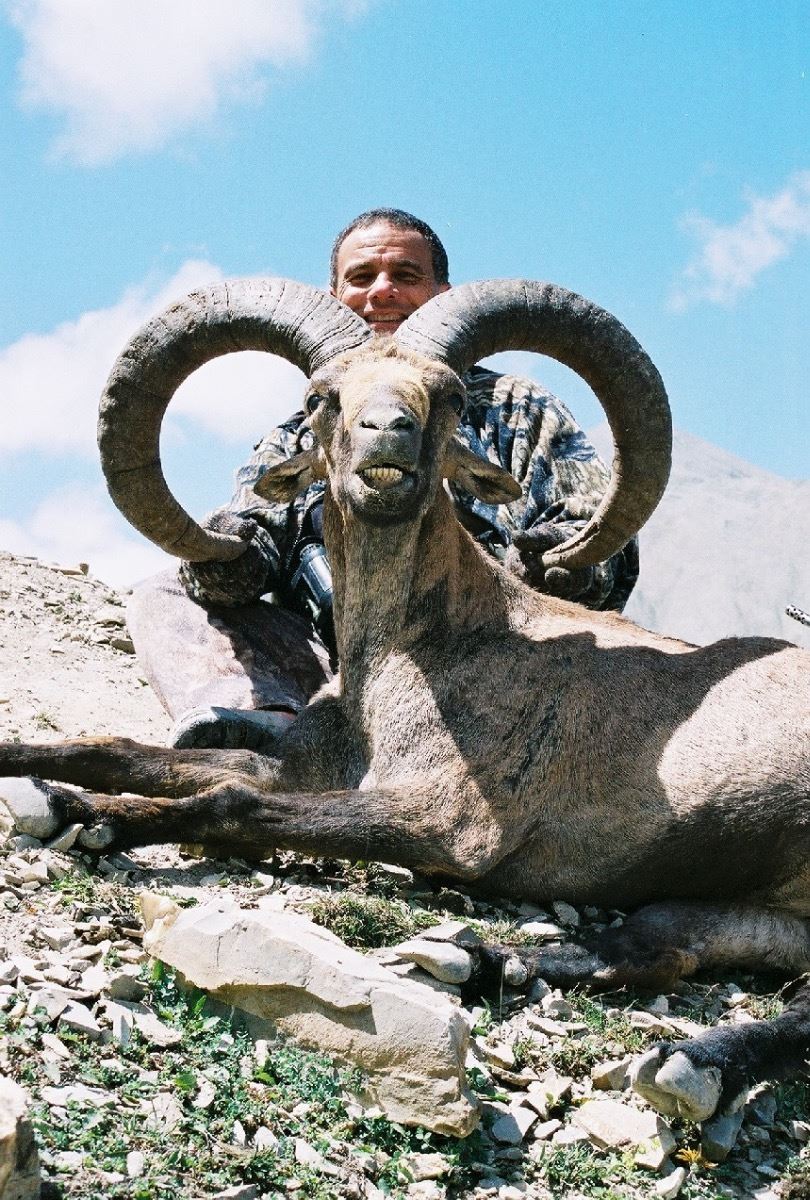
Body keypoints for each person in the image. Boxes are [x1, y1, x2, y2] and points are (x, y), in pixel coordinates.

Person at [127, 209, 639, 749]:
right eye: (362, 277)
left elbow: (599, 540)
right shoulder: (301, 433)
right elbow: (239, 550)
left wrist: (548, 562)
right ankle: (269, 725)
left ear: (442, 294)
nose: (382, 292)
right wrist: (228, 556)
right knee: (166, 590)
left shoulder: (517, 407)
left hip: (491, 659)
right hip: (337, 671)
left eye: (406, 275)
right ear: (334, 297)